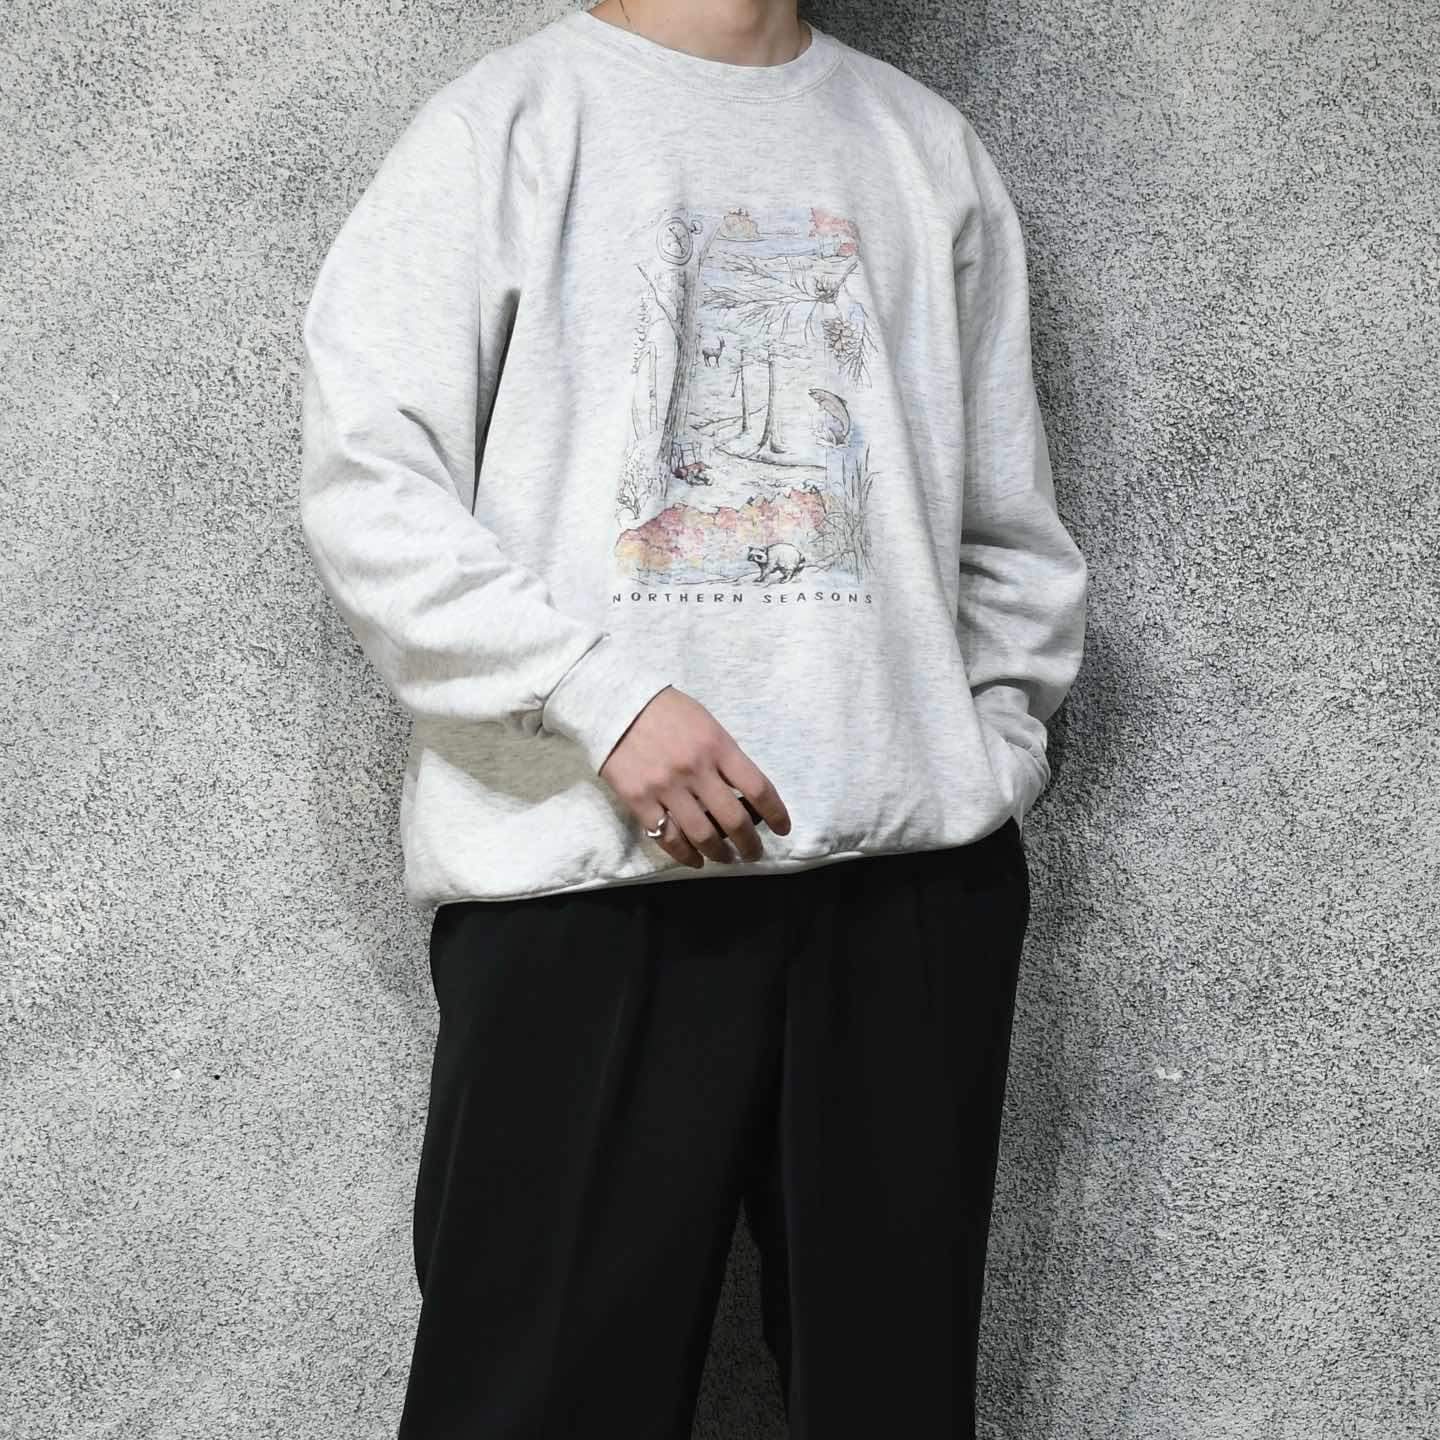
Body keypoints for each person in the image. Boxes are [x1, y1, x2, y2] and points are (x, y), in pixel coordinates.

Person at [298, 1, 1088, 1434]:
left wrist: (984, 762)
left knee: (896, 1408)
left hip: (907, 895)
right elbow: (370, 490)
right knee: (533, 1406)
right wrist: (599, 701)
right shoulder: (508, 128)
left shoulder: (925, 149)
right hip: (585, 889)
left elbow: (1008, 534)